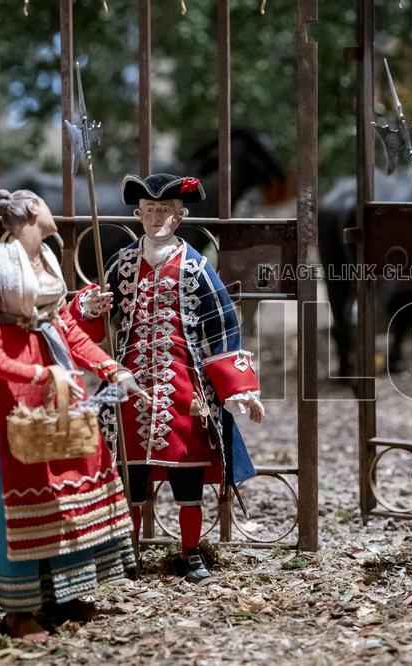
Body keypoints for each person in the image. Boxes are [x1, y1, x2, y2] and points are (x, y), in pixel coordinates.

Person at [0, 189, 147, 642]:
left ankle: (68, 590)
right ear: (28, 212)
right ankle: (19, 607)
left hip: (57, 377)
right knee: (20, 489)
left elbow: (61, 326)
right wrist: (33, 375)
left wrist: (112, 369)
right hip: (10, 388)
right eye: (44, 203)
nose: (52, 209)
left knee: (70, 479)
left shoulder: (45, 255)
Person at [74, 173, 264, 584]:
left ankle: (191, 553)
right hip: (129, 385)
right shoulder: (122, 263)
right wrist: (89, 306)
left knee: (187, 473)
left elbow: (223, 328)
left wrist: (240, 388)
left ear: (179, 217)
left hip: (184, 389)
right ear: (138, 214)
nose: (156, 217)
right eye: (149, 210)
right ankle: (128, 556)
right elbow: (93, 325)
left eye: (165, 211)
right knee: (132, 476)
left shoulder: (197, 267)